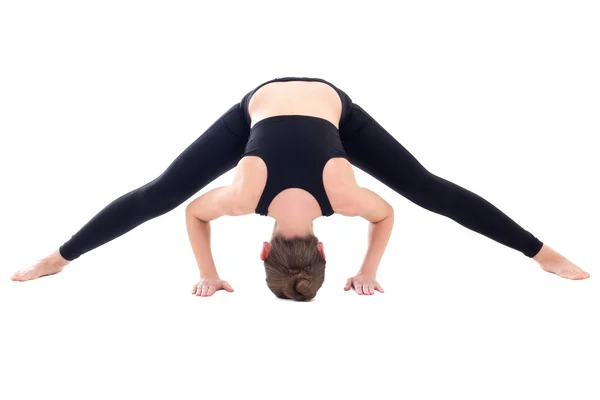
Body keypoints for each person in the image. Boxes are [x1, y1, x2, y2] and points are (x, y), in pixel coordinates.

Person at [10, 77, 590, 300]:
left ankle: (545, 255)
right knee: (162, 192)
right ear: (264, 250)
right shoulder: (243, 198)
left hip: (306, 105)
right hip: (296, 106)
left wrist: (368, 270)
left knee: (427, 190)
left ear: (322, 250)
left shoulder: (343, 199)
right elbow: (191, 213)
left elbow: (384, 217)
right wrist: (208, 273)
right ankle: (57, 259)